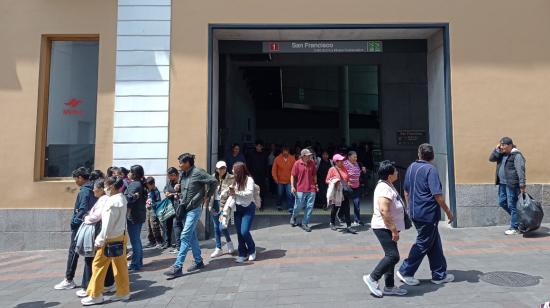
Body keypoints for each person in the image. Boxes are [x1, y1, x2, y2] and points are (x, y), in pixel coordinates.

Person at [397, 143, 455, 286]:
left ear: (419, 154)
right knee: (423, 243)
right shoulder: (431, 170)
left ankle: (439, 274)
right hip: (427, 214)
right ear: (432, 156)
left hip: (416, 212)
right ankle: (406, 271)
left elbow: (406, 191)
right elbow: (437, 195)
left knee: (434, 243)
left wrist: (409, 208)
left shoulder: (411, 167)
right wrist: (448, 211)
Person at [164, 153, 217, 278]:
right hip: (184, 208)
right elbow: (185, 188)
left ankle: (178, 266)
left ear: (188, 163)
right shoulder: (183, 174)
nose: (179, 165)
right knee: (192, 236)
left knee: (185, 235)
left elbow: (213, 181)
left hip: (194, 209)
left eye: (181, 163)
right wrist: (178, 187)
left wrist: (207, 195)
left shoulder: (198, 172)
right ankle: (198, 261)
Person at [81, 177, 130, 305]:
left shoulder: (111, 202)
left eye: (106, 186)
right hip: (121, 236)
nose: (105, 189)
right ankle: (123, 292)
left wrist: (100, 239)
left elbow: (107, 224)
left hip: (109, 238)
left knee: (98, 265)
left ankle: (95, 295)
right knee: (120, 266)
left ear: (112, 187)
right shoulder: (122, 198)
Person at [363, 161, 408, 297]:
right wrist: (393, 230)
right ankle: (372, 278)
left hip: (388, 226)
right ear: (389, 175)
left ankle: (389, 286)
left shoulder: (388, 185)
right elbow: (384, 210)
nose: (397, 172)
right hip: (383, 227)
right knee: (393, 256)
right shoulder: (384, 188)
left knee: (391, 255)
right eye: (394, 171)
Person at [54, 167, 97, 290]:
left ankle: (69, 279)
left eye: (76, 179)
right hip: (91, 224)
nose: (75, 182)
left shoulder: (84, 191)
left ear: (80, 178)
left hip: (81, 225)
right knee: (89, 253)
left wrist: (74, 222)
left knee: (74, 251)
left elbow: (82, 209)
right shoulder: (93, 189)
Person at [75, 179, 115, 298]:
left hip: (97, 231)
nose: (93, 190)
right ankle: (108, 283)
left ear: (102, 189)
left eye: (95, 188)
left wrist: (86, 217)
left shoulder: (104, 199)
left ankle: (88, 286)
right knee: (104, 258)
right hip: (101, 231)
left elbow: (97, 216)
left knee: (91, 258)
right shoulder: (105, 199)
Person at [489, 137, 527, 235]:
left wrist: (522, 184)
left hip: (512, 184)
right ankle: (519, 220)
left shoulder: (516, 155)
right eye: (500, 145)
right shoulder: (501, 154)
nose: (501, 147)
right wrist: (496, 149)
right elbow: (491, 159)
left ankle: (514, 227)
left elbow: (520, 170)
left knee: (512, 205)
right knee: (502, 202)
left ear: (510, 145)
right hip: (502, 183)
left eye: (503, 145)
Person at [230, 162, 257, 262]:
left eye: (233, 169)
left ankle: (252, 250)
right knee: (239, 232)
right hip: (237, 208)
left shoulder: (249, 179)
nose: (232, 171)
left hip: (248, 208)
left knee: (244, 231)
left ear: (239, 170)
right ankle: (242, 253)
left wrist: (236, 192)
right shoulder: (235, 180)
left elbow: (249, 193)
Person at [210, 161, 235, 258]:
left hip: (224, 205)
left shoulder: (231, 178)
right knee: (216, 227)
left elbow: (233, 191)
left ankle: (229, 243)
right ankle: (218, 248)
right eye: (220, 168)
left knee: (222, 226)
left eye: (223, 168)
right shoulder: (212, 178)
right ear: (216, 169)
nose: (222, 170)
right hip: (214, 204)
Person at [326, 154, 356, 234]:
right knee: (335, 208)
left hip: (344, 192)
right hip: (337, 192)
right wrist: (335, 181)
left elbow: (347, 178)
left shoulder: (344, 168)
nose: (342, 161)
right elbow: (327, 180)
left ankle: (349, 226)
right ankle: (332, 223)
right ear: (336, 162)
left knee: (347, 209)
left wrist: (348, 183)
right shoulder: (332, 169)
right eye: (340, 160)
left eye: (342, 160)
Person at [124, 165, 147, 271]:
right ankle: (139, 261)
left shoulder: (134, 184)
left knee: (135, 241)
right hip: (140, 214)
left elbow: (129, 200)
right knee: (137, 239)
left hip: (133, 215)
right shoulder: (140, 183)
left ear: (134, 174)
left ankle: (135, 264)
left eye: (130, 171)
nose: (128, 173)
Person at [290, 148, 318, 232]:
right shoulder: (297, 163)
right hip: (300, 188)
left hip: (311, 188)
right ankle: (294, 216)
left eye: (310, 155)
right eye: (308, 155)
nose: (310, 156)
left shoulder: (312, 163)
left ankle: (305, 223)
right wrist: (292, 186)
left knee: (309, 207)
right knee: (298, 206)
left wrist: (316, 185)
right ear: (303, 156)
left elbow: (314, 175)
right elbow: (292, 175)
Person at [344, 151, 367, 226]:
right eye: (354, 157)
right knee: (344, 203)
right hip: (348, 187)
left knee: (357, 203)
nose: (356, 158)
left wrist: (363, 170)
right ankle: (341, 215)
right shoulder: (345, 164)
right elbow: (342, 173)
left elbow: (360, 172)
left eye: (356, 157)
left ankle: (357, 220)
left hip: (356, 186)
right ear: (349, 157)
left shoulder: (357, 164)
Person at [272, 146, 296, 213]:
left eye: (287, 151)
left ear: (288, 152)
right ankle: (279, 205)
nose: (285, 153)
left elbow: (294, 170)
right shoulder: (277, 159)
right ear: (282, 152)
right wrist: (275, 178)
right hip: (280, 180)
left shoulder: (292, 159)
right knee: (280, 194)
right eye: (284, 151)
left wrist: (294, 179)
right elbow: (274, 170)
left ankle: (290, 207)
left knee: (289, 194)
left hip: (289, 180)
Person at [247, 140, 268, 211]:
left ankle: (261, 205)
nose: (259, 147)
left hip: (262, 176)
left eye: (260, 146)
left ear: (262, 147)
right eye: (257, 146)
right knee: (252, 190)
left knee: (262, 191)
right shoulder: (251, 154)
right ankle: (253, 205)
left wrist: (266, 176)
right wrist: (249, 175)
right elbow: (248, 165)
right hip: (253, 176)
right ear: (255, 146)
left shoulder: (265, 154)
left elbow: (266, 166)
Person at [144, 176, 164, 249]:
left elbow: (158, 202)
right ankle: (151, 241)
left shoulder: (156, 191)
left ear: (153, 184)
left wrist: (154, 205)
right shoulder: (148, 190)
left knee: (154, 226)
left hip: (153, 210)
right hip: (148, 209)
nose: (148, 187)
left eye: (149, 185)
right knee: (148, 226)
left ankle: (159, 241)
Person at [163, 167, 180, 251]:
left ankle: (178, 245)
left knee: (176, 225)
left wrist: (173, 194)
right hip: (169, 206)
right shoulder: (169, 181)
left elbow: (182, 193)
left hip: (177, 207)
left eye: (170, 176)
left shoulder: (180, 181)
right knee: (167, 224)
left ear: (174, 175)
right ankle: (167, 242)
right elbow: (165, 188)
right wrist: (166, 192)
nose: (168, 177)